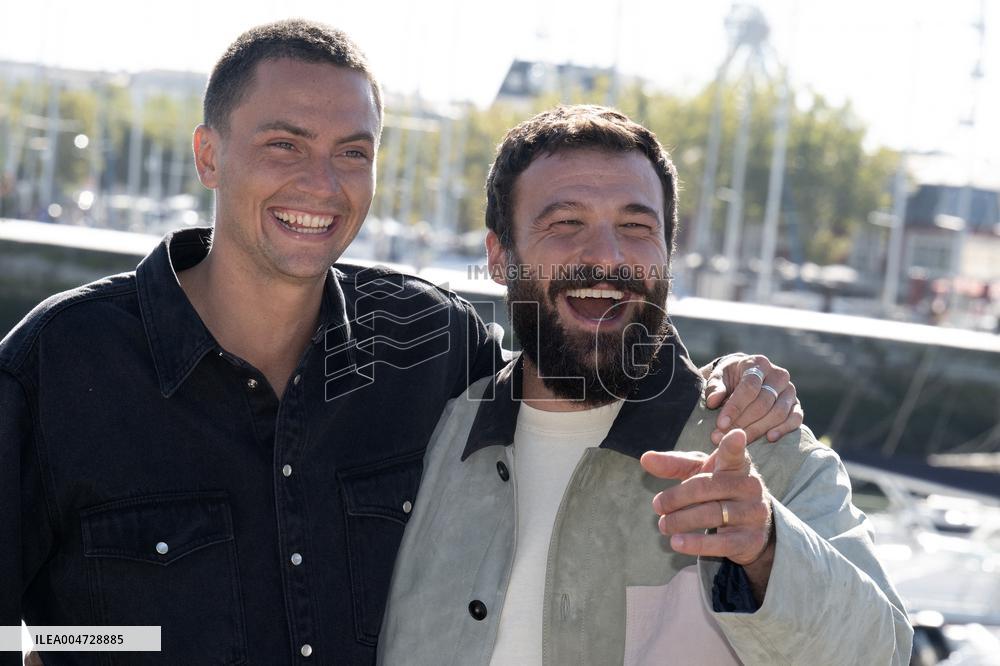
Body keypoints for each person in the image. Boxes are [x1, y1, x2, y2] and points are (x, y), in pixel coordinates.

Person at [1, 21, 800, 665]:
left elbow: (574, 356)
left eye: (354, 152)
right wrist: (109, 644)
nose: (323, 183)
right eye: (285, 144)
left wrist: (726, 381)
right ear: (211, 155)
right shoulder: (59, 365)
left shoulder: (431, 345)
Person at [377, 105, 913, 665]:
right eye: (566, 224)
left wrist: (768, 550)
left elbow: (884, 653)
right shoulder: (435, 438)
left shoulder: (758, 446)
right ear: (498, 257)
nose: (608, 256)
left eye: (636, 227)